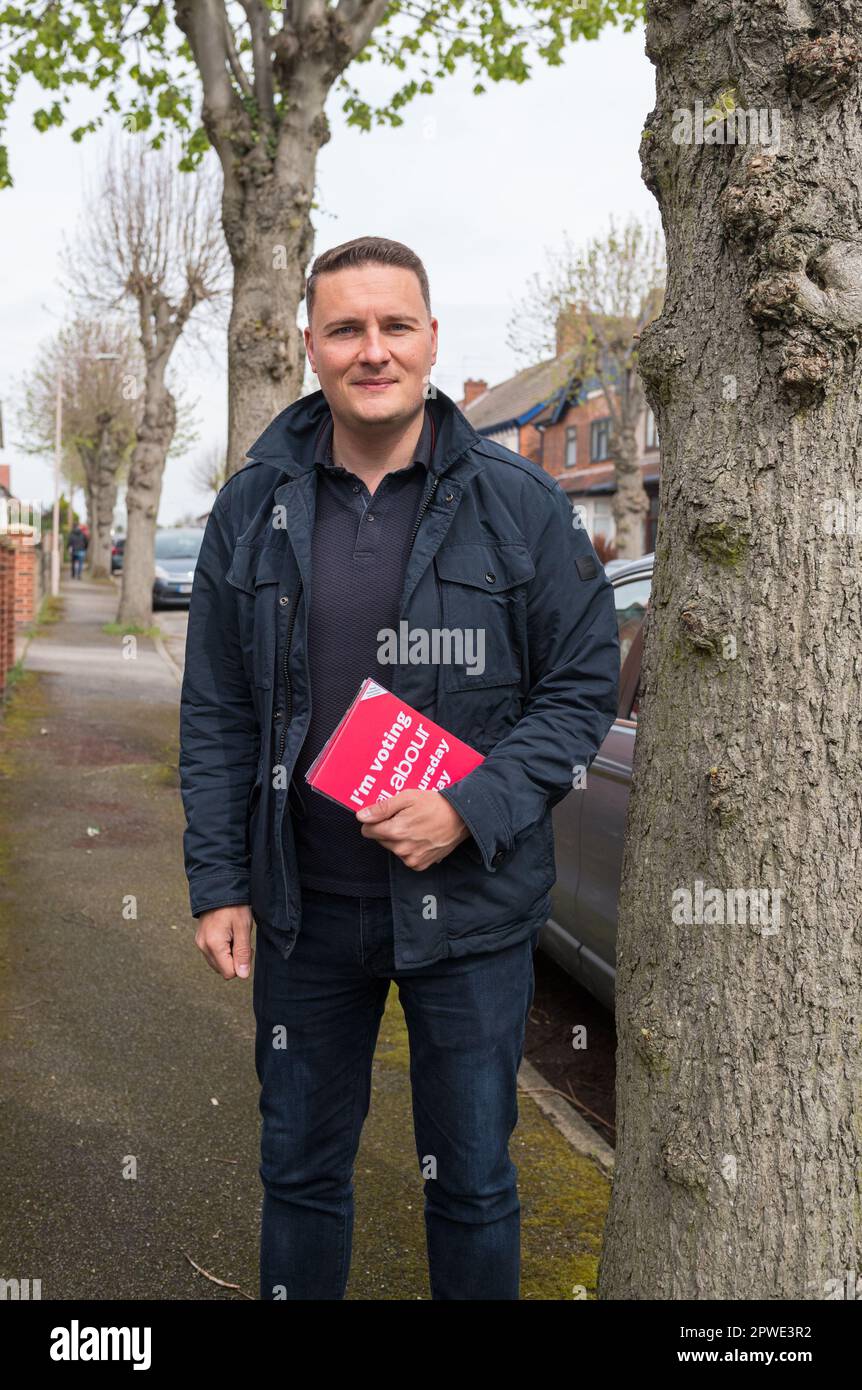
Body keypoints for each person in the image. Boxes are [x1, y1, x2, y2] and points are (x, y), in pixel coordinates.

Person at [179, 235, 620, 1301]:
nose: (371, 349)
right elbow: (218, 707)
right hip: (302, 910)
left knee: (471, 1182)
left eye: (393, 325)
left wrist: (471, 807)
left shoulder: (519, 503)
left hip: (467, 915)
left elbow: (580, 685)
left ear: (428, 339)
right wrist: (220, 882)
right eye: (345, 328)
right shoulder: (254, 505)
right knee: (299, 1174)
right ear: (311, 347)